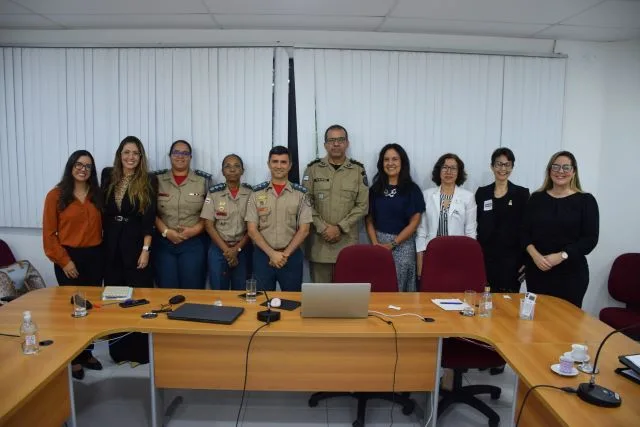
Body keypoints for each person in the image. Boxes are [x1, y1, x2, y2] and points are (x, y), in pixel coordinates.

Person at [42, 150, 103, 380]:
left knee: (92, 309)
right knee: (76, 310)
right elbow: (49, 235)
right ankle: (74, 358)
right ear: (70, 166)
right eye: (78, 164)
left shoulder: (96, 195)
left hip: (95, 258)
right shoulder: (56, 196)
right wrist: (64, 261)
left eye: (88, 166)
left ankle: (87, 353)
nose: (83, 169)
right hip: (69, 259)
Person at [101, 136, 157, 365]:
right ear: (119, 155)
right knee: (115, 300)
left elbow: (149, 217)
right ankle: (119, 353)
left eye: (135, 153)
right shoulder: (107, 176)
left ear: (141, 157)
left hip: (135, 245)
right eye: (126, 152)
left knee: (139, 301)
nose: (131, 157)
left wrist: (146, 249)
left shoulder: (149, 180)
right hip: (111, 245)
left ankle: (140, 354)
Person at [522, 151, 599, 307]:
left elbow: (590, 240)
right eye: (555, 167)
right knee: (537, 324)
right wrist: (535, 255)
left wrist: (562, 255)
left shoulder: (586, 201)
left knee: (566, 326)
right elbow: (523, 233)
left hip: (571, 275)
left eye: (566, 167)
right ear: (549, 170)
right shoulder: (536, 198)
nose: (560, 171)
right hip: (538, 271)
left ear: (574, 171)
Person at [302, 125, 369, 283]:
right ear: (325, 145)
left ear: (347, 143)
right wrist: (323, 228)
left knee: (346, 298)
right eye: (332, 140)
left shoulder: (358, 171)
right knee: (321, 298)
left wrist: (339, 227)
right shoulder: (313, 169)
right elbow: (305, 202)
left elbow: (363, 206)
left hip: (347, 244)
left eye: (340, 140)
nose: (336, 144)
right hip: (319, 245)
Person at [245, 146, 312, 292]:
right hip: (263, 257)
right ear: (268, 164)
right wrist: (272, 254)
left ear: (290, 165)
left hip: (291, 257)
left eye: (283, 162)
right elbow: (251, 230)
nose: (279, 166)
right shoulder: (256, 193)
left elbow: (304, 230)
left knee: (293, 302)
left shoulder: (300, 194)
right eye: (275, 161)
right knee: (262, 302)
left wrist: (284, 255)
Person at [366, 144, 425, 292]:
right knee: (380, 287)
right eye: (386, 159)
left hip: (403, 245)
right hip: (378, 244)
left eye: (395, 159)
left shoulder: (412, 189)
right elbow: (369, 220)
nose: (390, 163)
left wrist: (393, 244)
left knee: (400, 290)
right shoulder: (374, 189)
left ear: (402, 162)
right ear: (381, 163)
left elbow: (415, 222)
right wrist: (375, 245)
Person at [153, 140, 211, 289]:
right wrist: (166, 232)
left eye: (185, 153)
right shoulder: (156, 180)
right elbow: (150, 212)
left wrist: (194, 231)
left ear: (190, 157)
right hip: (164, 243)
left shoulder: (203, 181)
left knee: (192, 288)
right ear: (170, 156)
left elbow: (210, 213)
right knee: (167, 288)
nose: (180, 156)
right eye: (176, 152)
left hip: (193, 243)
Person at [475, 148, 530, 293]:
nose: (502, 168)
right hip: (484, 260)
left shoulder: (522, 194)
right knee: (483, 303)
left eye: (507, 164)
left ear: (512, 167)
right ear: (492, 166)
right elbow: (476, 225)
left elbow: (528, 229)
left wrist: (526, 260)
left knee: (507, 306)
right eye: (499, 164)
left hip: (512, 262)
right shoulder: (482, 193)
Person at [416, 153, 477, 279]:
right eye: (445, 167)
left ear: (459, 172)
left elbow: (471, 233)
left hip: (457, 253)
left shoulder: (468, 197)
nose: (448, 171)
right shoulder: (426, 195)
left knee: (454, 291)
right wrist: (420, 261)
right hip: (431, 253)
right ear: (439, 171)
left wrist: (469, 259)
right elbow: (421, 231)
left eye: (453, 168)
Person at [201, 154, 253, 290]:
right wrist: (228, 251)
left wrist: (237, 249)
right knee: (218, 291)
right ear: (222, 171)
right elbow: (208, 225)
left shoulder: (251, 194)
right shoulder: (214, 193)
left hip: (243, 249)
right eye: (227, 166)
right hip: (219, 249)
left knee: (242, 293)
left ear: (242, 170)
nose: (232, 170)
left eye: (237, 166)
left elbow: (253, 227)